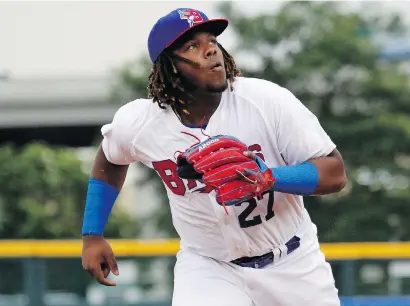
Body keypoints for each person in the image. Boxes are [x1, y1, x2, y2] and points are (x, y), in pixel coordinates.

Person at [81, 7, 347, 306]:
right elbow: (110, 159)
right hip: (209, 267)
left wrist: (270, 178)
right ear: (167, 66)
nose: (210, 51)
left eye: (212, 41)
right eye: (193, 46)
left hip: (292, 263)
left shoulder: (266, 101)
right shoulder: (141, 123)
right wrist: (93, 234)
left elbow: (334, 173)